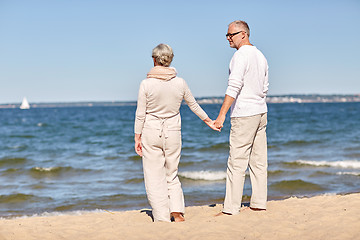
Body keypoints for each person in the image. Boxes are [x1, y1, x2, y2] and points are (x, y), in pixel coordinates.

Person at [134, 43, 219, 222]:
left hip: (151, 131)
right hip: (173, 132)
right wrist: (208, 121)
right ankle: (177, 212)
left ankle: (161, 217)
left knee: (153, 176)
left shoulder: (146, 84)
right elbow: (193, 105)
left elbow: (140, 113)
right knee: (171, 173)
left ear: (154, 59)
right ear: (170, 59)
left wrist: (137, 137)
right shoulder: (180, 82)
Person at [214, 20, 269, 215]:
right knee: (259, 161)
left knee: (236, 162)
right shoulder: (260, 55)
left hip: (245, 113)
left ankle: (231, 208)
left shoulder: (240, 56)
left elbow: (233, 87)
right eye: (227, 35)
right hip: (261, 111)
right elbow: (264, 88)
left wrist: (221, 116)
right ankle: (259, 203)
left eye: (231, 35)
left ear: (243, 34)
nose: (228, 38)